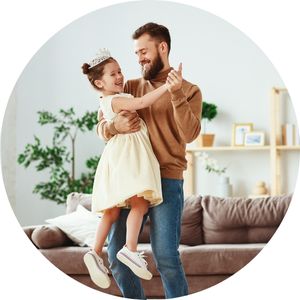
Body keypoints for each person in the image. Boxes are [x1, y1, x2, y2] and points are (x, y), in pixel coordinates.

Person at [97, 23, 202, 299]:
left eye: (143, 51)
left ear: (162, 48)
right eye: (136, 54)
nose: (139, 58)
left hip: (167, 178)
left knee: (166, 257)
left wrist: (176, 93)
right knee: (118, 258)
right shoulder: (130, 86)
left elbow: (190, 134)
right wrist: (114, 127)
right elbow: (101, 125)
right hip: (130, 178)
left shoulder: (190, 90)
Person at [81, 48, 177, 289]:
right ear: (99, 82)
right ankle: (130, 249)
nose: (120, 76)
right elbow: (142, 102)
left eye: (120, 71)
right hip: (129, 155)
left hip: (115, 158)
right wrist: (168, 86)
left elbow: (104, 125)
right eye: (113, 74)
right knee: (139, 202)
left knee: (111, 212)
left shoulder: (105, 101)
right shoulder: (118, 98)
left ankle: (94, 252)